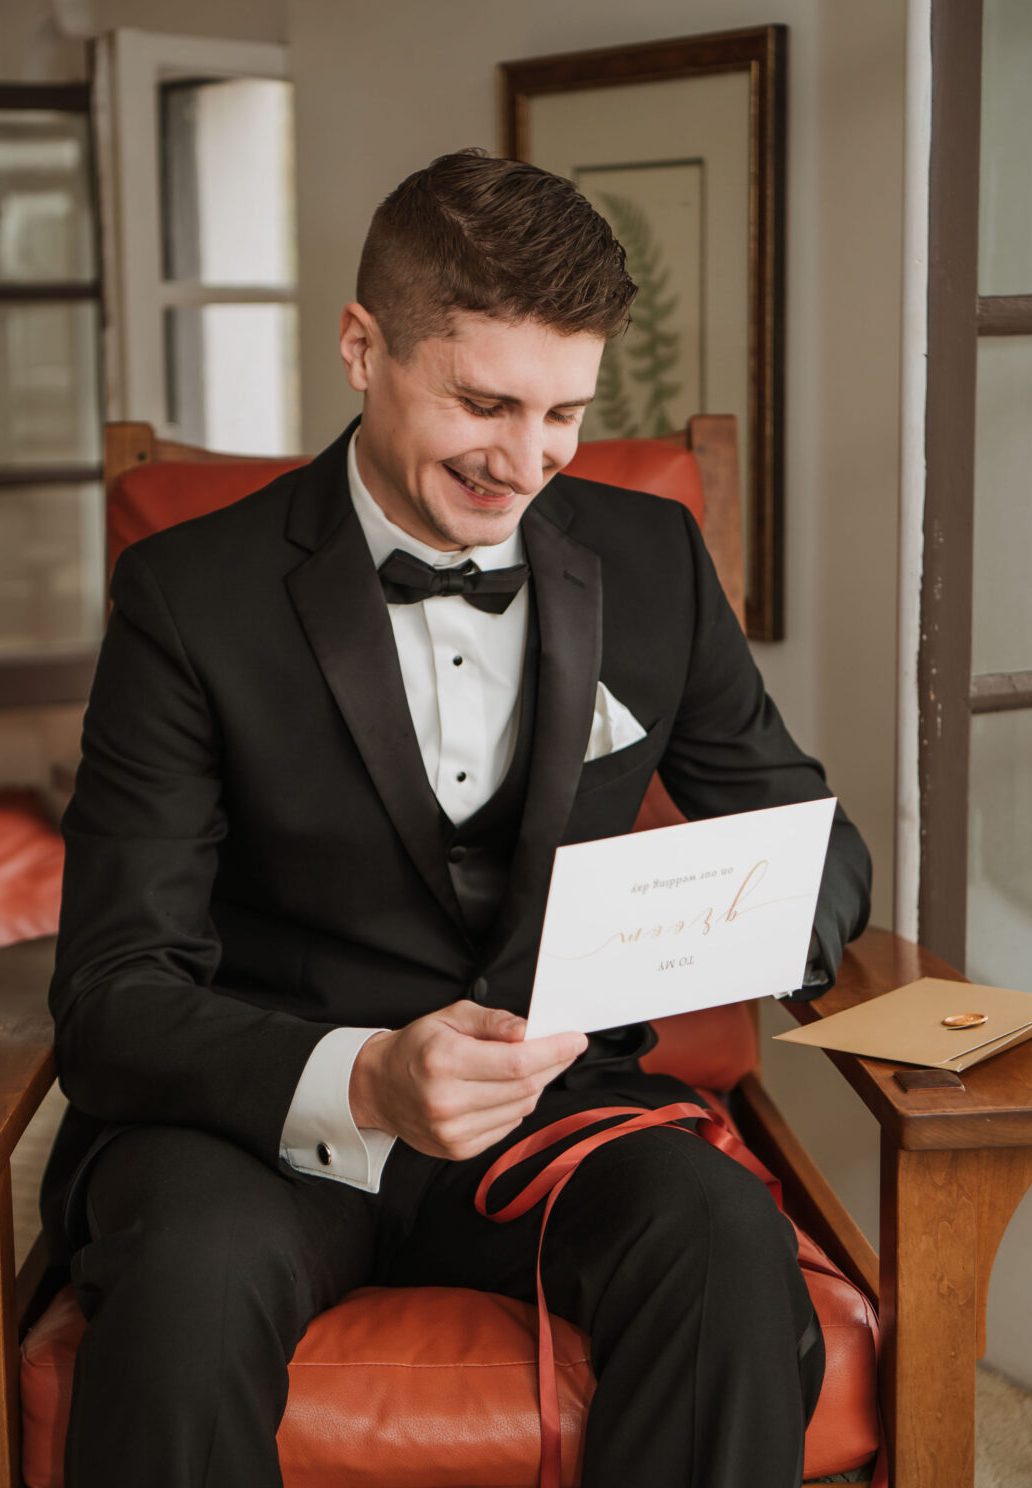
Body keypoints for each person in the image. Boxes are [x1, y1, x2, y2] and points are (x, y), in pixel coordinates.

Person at [44, 149, 871, 1488]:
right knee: (186, 1291)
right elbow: (112, 993)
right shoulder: (186, 596)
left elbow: (810, 837)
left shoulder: (650, 561)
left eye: (564, 414)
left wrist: (717, 937)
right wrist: (366, 1078)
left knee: (721, 1244)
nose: (527, 463)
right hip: (258, 1122)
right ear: (361, 347)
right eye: (485, 404)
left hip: (556, 1112)